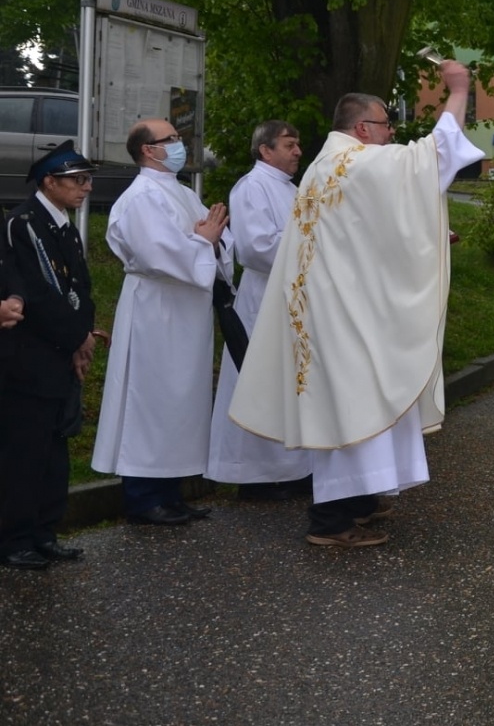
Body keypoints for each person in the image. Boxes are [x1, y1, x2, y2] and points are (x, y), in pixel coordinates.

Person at [230, 60, 484, 548]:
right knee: (347, 407)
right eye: (387, 124)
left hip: (333, 307)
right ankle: (330, 522)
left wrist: (430, 236)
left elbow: (369, 232)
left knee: (353, 403)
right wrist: (458, 90)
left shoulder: (326, 167)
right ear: (363, 127)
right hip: (341, 314)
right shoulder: (354, 162)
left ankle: (360, 502)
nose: (391, 133)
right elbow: (434, 156)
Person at [93, 119, 230, 526]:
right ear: (148, 150)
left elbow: (214, 237)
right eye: (169, 139)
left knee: (180, 401)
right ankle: (142, 497)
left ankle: (170, 492)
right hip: (155, 308)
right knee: (150, 399)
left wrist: (216, 238)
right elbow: (157, 254)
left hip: (186, 310)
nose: (179, 144)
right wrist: (202, 241)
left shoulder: (183, 192)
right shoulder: (140, 199)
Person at [1, 143, 98, 569]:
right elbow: (36, 295)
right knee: (24, 453)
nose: (86, 187)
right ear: (49, 182)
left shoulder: (63, 227)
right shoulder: (23, 225)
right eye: (76, 180)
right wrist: (75, 335)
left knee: (55, 451)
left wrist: (83, 335)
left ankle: (45, 531)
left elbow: (82, 286)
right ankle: (14, 538)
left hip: (60, 353)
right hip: (30, 357)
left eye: (86, 179)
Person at [206, 120, 312, 501]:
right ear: (265, 150)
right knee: (260, 383)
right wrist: (312, 245)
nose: (297, 151)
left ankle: (294, 470)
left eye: (298, 144)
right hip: (265, 296)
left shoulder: (293, 188)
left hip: (293, 296)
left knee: (290, 383)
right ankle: (254, 476)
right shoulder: (252, 187)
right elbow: (255, 247)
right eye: (289, 144)